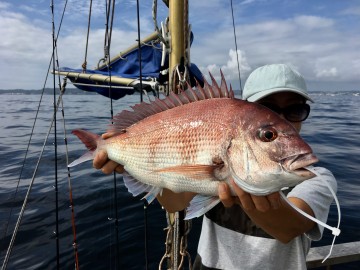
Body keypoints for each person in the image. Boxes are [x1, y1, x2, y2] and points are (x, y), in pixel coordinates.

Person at [93, 64, 337, 270]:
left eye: (296, 110)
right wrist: (135, 164)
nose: (284, 119)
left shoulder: (315, 177)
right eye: (270, 118)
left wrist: (243, 188)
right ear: (248, 109)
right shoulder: (220, 161)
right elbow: (175, 204)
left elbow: (290, 228)